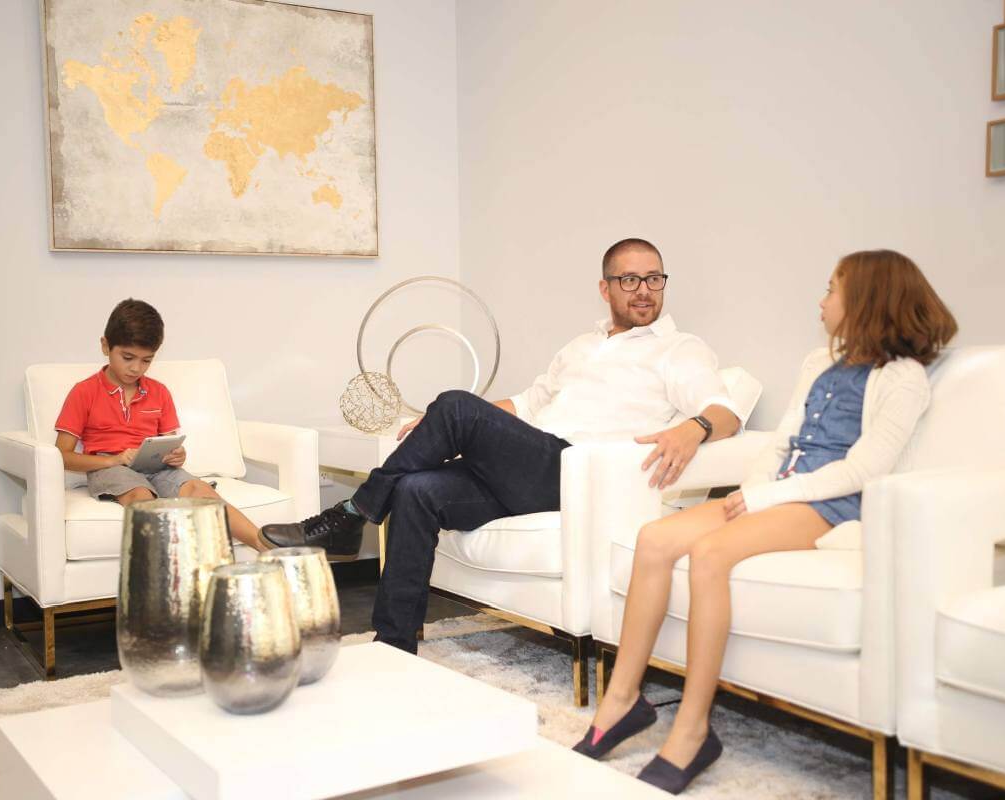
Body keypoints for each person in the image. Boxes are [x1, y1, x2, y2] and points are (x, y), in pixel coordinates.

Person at [573, 249, 958, 794]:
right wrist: (752, 492)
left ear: (867, 300)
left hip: (833, 506)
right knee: (655, 539)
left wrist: (773, 497)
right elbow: (781, 442)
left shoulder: (902, 377)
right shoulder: (817, 362)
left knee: (709, 555)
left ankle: (693, 727)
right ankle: (622, 700)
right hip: (778, 494)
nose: (821, 301)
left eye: (832, 289)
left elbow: (867, 467)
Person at [261, 238, 744, 653]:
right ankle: (395, 646)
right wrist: (441, 425)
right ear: (605, 288)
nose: (643, 290)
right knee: (416, 490)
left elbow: (726, 412)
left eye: (654, 279)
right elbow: (528, 402)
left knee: (453, 404)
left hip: (577, 474)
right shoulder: (581, 346)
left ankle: (351, 515)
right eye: (629, 280)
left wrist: (695, 427)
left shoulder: (679, 349)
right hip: (529, 470)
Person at [54, 299, 266, 551]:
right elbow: (61, 456)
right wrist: (113, 460)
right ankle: (170, 565)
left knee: (201, 491)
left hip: (156, 467)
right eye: (128, 357)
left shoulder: (159, 392)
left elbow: (169, 442)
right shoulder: (84, 392)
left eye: (146, 360)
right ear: (105, 346)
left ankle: (264, 545)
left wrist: (177, 455)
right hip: (110, 465)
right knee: (142, 497)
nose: (135, 368)